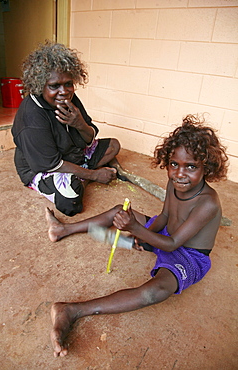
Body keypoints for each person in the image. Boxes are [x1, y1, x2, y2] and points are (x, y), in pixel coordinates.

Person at [46, 115, 228, 357]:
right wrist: (146, 234)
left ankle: (72, 310)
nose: (180, 174)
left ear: (208, 167)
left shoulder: (208, 203)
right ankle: (63, 230)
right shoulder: (176, 183)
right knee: (117, 212)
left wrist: (136, 230)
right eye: (174, 164)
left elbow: (173, 244)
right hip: (166, 235)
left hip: (187, 255)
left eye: (191, 166)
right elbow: (164, 216)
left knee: (155, 291)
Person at [12, 41, 123, 216]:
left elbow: (89, 138)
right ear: (39, 85)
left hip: (71, 153)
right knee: (70, 202)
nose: (63, 91)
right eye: (54, 86)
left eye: (68, 84)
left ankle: (79, 175)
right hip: (43, 167)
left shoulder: (68, 98)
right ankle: (83, 176)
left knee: (113, 146)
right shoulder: (32, 115)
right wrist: (94, 176)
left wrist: (79, 124)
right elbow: (51, 164)